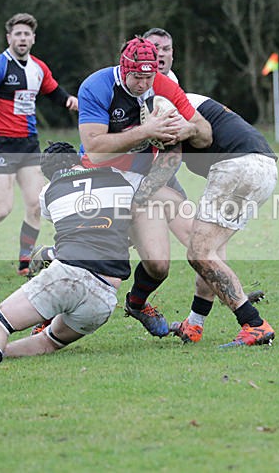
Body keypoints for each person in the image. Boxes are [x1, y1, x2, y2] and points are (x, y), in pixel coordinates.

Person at [0, 142, 135, 363]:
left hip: (68, 274)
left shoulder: (48, 192)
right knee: (49, 341)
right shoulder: (120, 181)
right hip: (105, 297)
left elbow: (75, 225)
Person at [77, 36, 212, 337]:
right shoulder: (96, 86)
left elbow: (205, 133)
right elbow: (96, 149)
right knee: (97, 260)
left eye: (148, 77)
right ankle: (48, 315)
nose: (143, 84)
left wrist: (185, 129)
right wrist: (146, 131)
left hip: (143, 181)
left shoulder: (162, 85)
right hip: (100, 180)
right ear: (124, 68)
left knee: (159, 264)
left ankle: (136, 304)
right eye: (137, 76)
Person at [0, 13, 78, 275]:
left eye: (27, 34)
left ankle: (25, 261)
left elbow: (53, 90)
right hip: (2, 144)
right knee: (2, 209)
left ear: (33, 38)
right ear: (9, 38)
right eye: (18, 33)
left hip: (28, 145)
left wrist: (69, 100)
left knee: (36, 204)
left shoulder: (38, 68)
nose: (22, 38)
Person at [167, 93, 278, 347]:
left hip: (237, 166)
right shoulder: (186, 102)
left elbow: (163, 165)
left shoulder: (166, 107)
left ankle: (254, 324)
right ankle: (194, 325)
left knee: (199, 254)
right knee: (211, 252)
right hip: (262, 166)